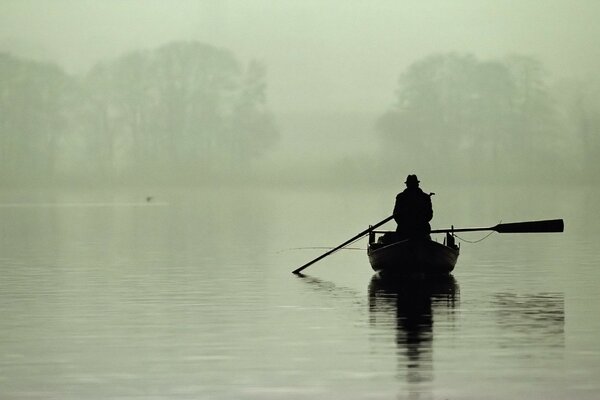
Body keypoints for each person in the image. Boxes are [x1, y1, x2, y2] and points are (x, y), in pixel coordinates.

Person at [393, 174, 433, 240]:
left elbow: (429, 215)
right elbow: (396, 215)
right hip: (405, 231)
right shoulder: (401, 197)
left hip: (421, 231)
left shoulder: (425, 198)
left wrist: (417, 222)